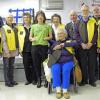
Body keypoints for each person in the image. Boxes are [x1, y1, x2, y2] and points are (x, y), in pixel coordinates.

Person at [50, 28, 77, 99]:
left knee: (66, 70)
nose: (60, 35)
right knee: (55, 69)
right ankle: (58, 90)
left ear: (65, 34)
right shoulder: (55, 43)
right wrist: (54, 48)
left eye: (61, 33)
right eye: (58, 34)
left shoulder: (69, 41)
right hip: (57, 61)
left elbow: (75, 43)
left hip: (68, 61)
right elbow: (50, 52)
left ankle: (65, 90)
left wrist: (64, 45)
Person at [29, 11, 52, 88]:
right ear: (36, 17)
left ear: (44, 18)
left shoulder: (48, 26)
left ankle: (46, 80)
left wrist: (47, 38)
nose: (40, 17)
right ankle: (39, 80)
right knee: (36, 64)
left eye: (42, 16)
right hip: (35, 47)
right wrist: (32, 39)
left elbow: (51, 37)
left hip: (44, 47)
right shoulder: (33, 26)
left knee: (45, 64)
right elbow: (30, 37)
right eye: (39, 16)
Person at [78, 4, 98, 87]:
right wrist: (81, 43)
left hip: (91, 47)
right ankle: (84, 80)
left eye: (86, 10)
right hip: (82, 47)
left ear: (89, 11)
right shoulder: (78, 22)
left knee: (92, 63)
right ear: (81, 11)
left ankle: (92, 81)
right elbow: (76, 35)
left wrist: (91, 43)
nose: (85, 12)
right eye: (83, 10)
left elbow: (96, 34)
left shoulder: (93, 22)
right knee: (83, 64)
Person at [17, 12, 37, 85]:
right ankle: (28, 80)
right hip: (25, 50)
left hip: (34, 49)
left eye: (27, 17)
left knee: (34, 65)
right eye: (24, 17)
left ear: (30, 18)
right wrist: (19, 50)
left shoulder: (34, 27)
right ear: (23, 19)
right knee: (26, 65)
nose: (26, 19)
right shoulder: (19, 28)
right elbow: (17, 39)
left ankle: (34, 79)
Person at [1, 13, 19, 87]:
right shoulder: (3, 28)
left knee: (11, 66)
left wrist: (18, 50)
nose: (10, 19)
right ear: (6, 19)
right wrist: (7, 51)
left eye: (11, 17)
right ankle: (7, 82)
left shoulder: (15, 28)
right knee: (7, 67)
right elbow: (3, 41)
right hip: (7, 52)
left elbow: (17, 40)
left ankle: (12, 80)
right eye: (8, 17)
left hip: (13, 51)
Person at [92, 6, 100, 80]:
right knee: (93, 60)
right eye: (94, 10)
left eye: (97, 10)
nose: (96, 11)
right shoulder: (90, 20)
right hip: (92, 44)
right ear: (92, 11)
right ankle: (94, 75)